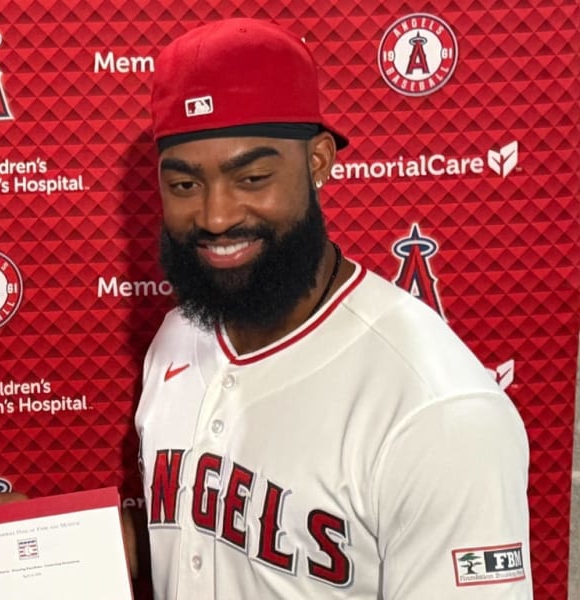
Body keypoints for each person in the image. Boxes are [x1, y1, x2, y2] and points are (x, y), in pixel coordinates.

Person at [134, 17, 532, 599]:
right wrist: (34, 545)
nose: (216, 216)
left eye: (252, 176)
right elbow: (198, 539)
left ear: (319, 161)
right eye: (185, 186)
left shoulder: (437, 410)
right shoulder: (177, 335)